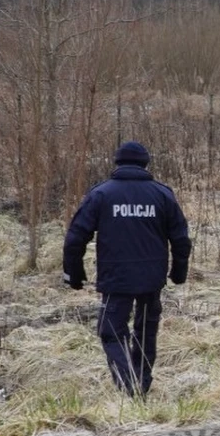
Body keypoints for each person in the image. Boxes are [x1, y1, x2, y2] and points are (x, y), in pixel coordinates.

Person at [63, 141, 192, 397]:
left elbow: (75, 238)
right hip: (151, 278)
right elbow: (180, 239)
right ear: (146, 163)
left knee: (110, 331)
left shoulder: (101, 194)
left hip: (116, 279)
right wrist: (179, 272)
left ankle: (129, 387)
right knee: (146, 331)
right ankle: (140, 383)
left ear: (117, 162)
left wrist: (73, 275)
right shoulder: (162, 194)